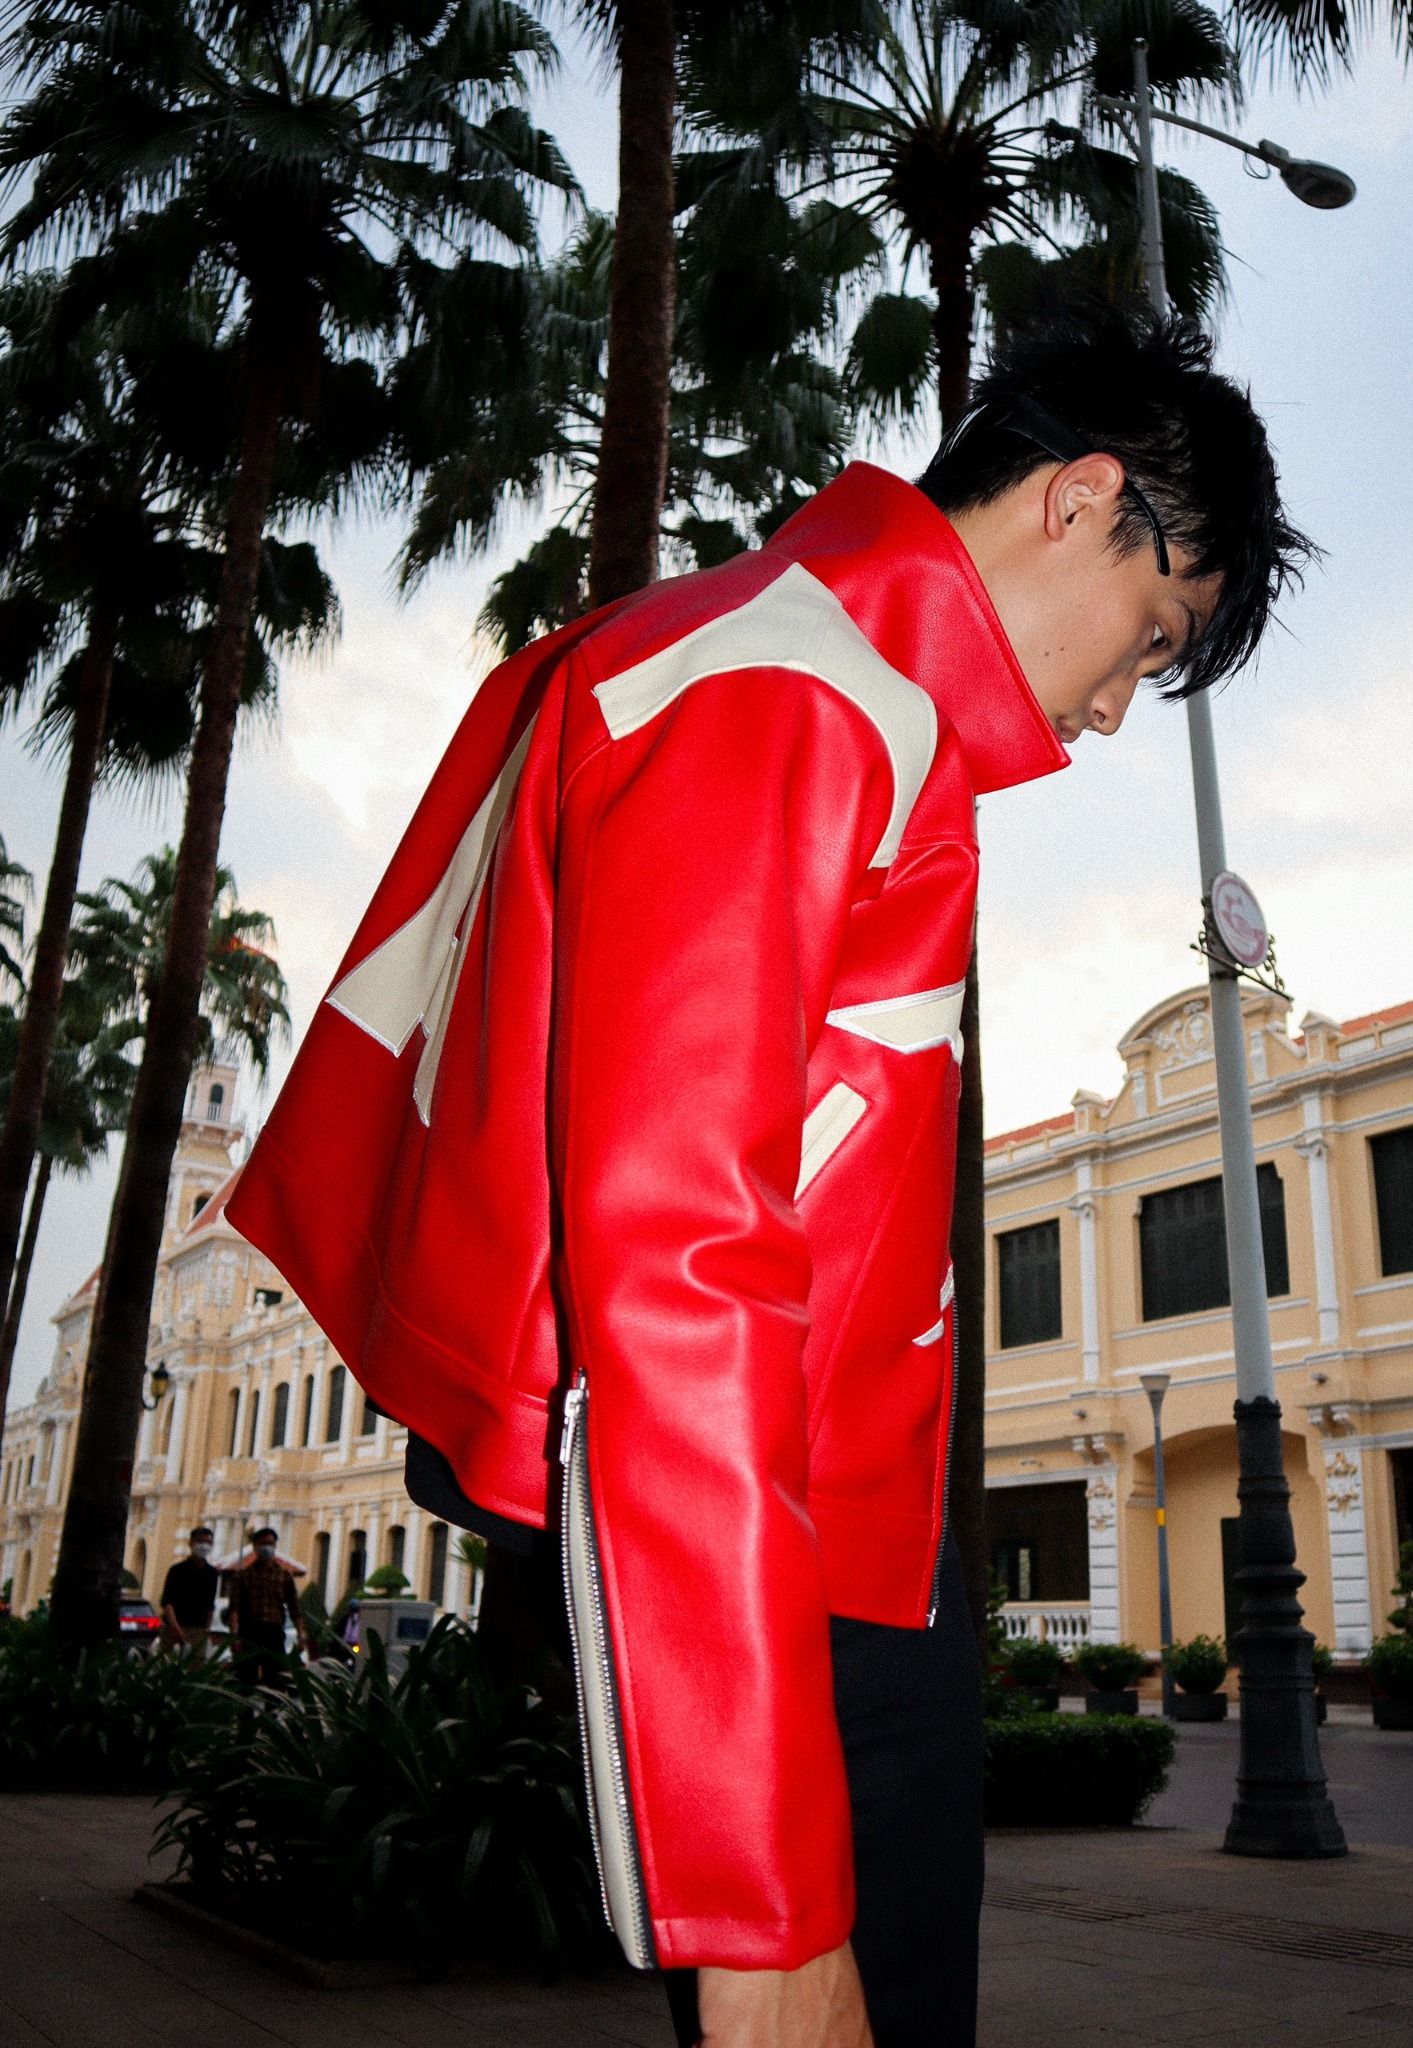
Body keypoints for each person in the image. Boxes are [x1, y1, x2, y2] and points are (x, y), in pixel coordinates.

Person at [225, 304, 1310, 2046]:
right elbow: (682, 1263)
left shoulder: (837, 693)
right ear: (1083, 498)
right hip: (783, 1573)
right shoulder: (792, 682)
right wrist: (763, 1905)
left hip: (843, 1550)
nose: (1115, 706)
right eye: (1150, 634)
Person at [224, 1528, 308, 1691]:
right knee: (245, 1679)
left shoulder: (284, 1576)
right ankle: (244, 1714)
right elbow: (234, 1609)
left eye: (270, 1544)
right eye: (263, 1544)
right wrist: (234, 1637)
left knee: (276, 1679)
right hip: (249, 1632)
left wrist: (301, 1635)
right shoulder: (243, 1576)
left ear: (275, 1546)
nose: (267, 1548)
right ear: (255, 1547)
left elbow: (294, 1607)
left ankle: (272, 1714)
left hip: (274, 1633)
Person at [160, 1526, 220, 1655]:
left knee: (195, 1669)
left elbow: (210, 1604)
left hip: (198, 1629)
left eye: (208, 1542)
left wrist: (207, 1630)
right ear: (191, 1543)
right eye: (200, 1541)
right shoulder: (177, 1570)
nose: (204, 1546)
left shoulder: (212, 1573)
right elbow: (167, 1602)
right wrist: (175, 1627)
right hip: (173, 1627)